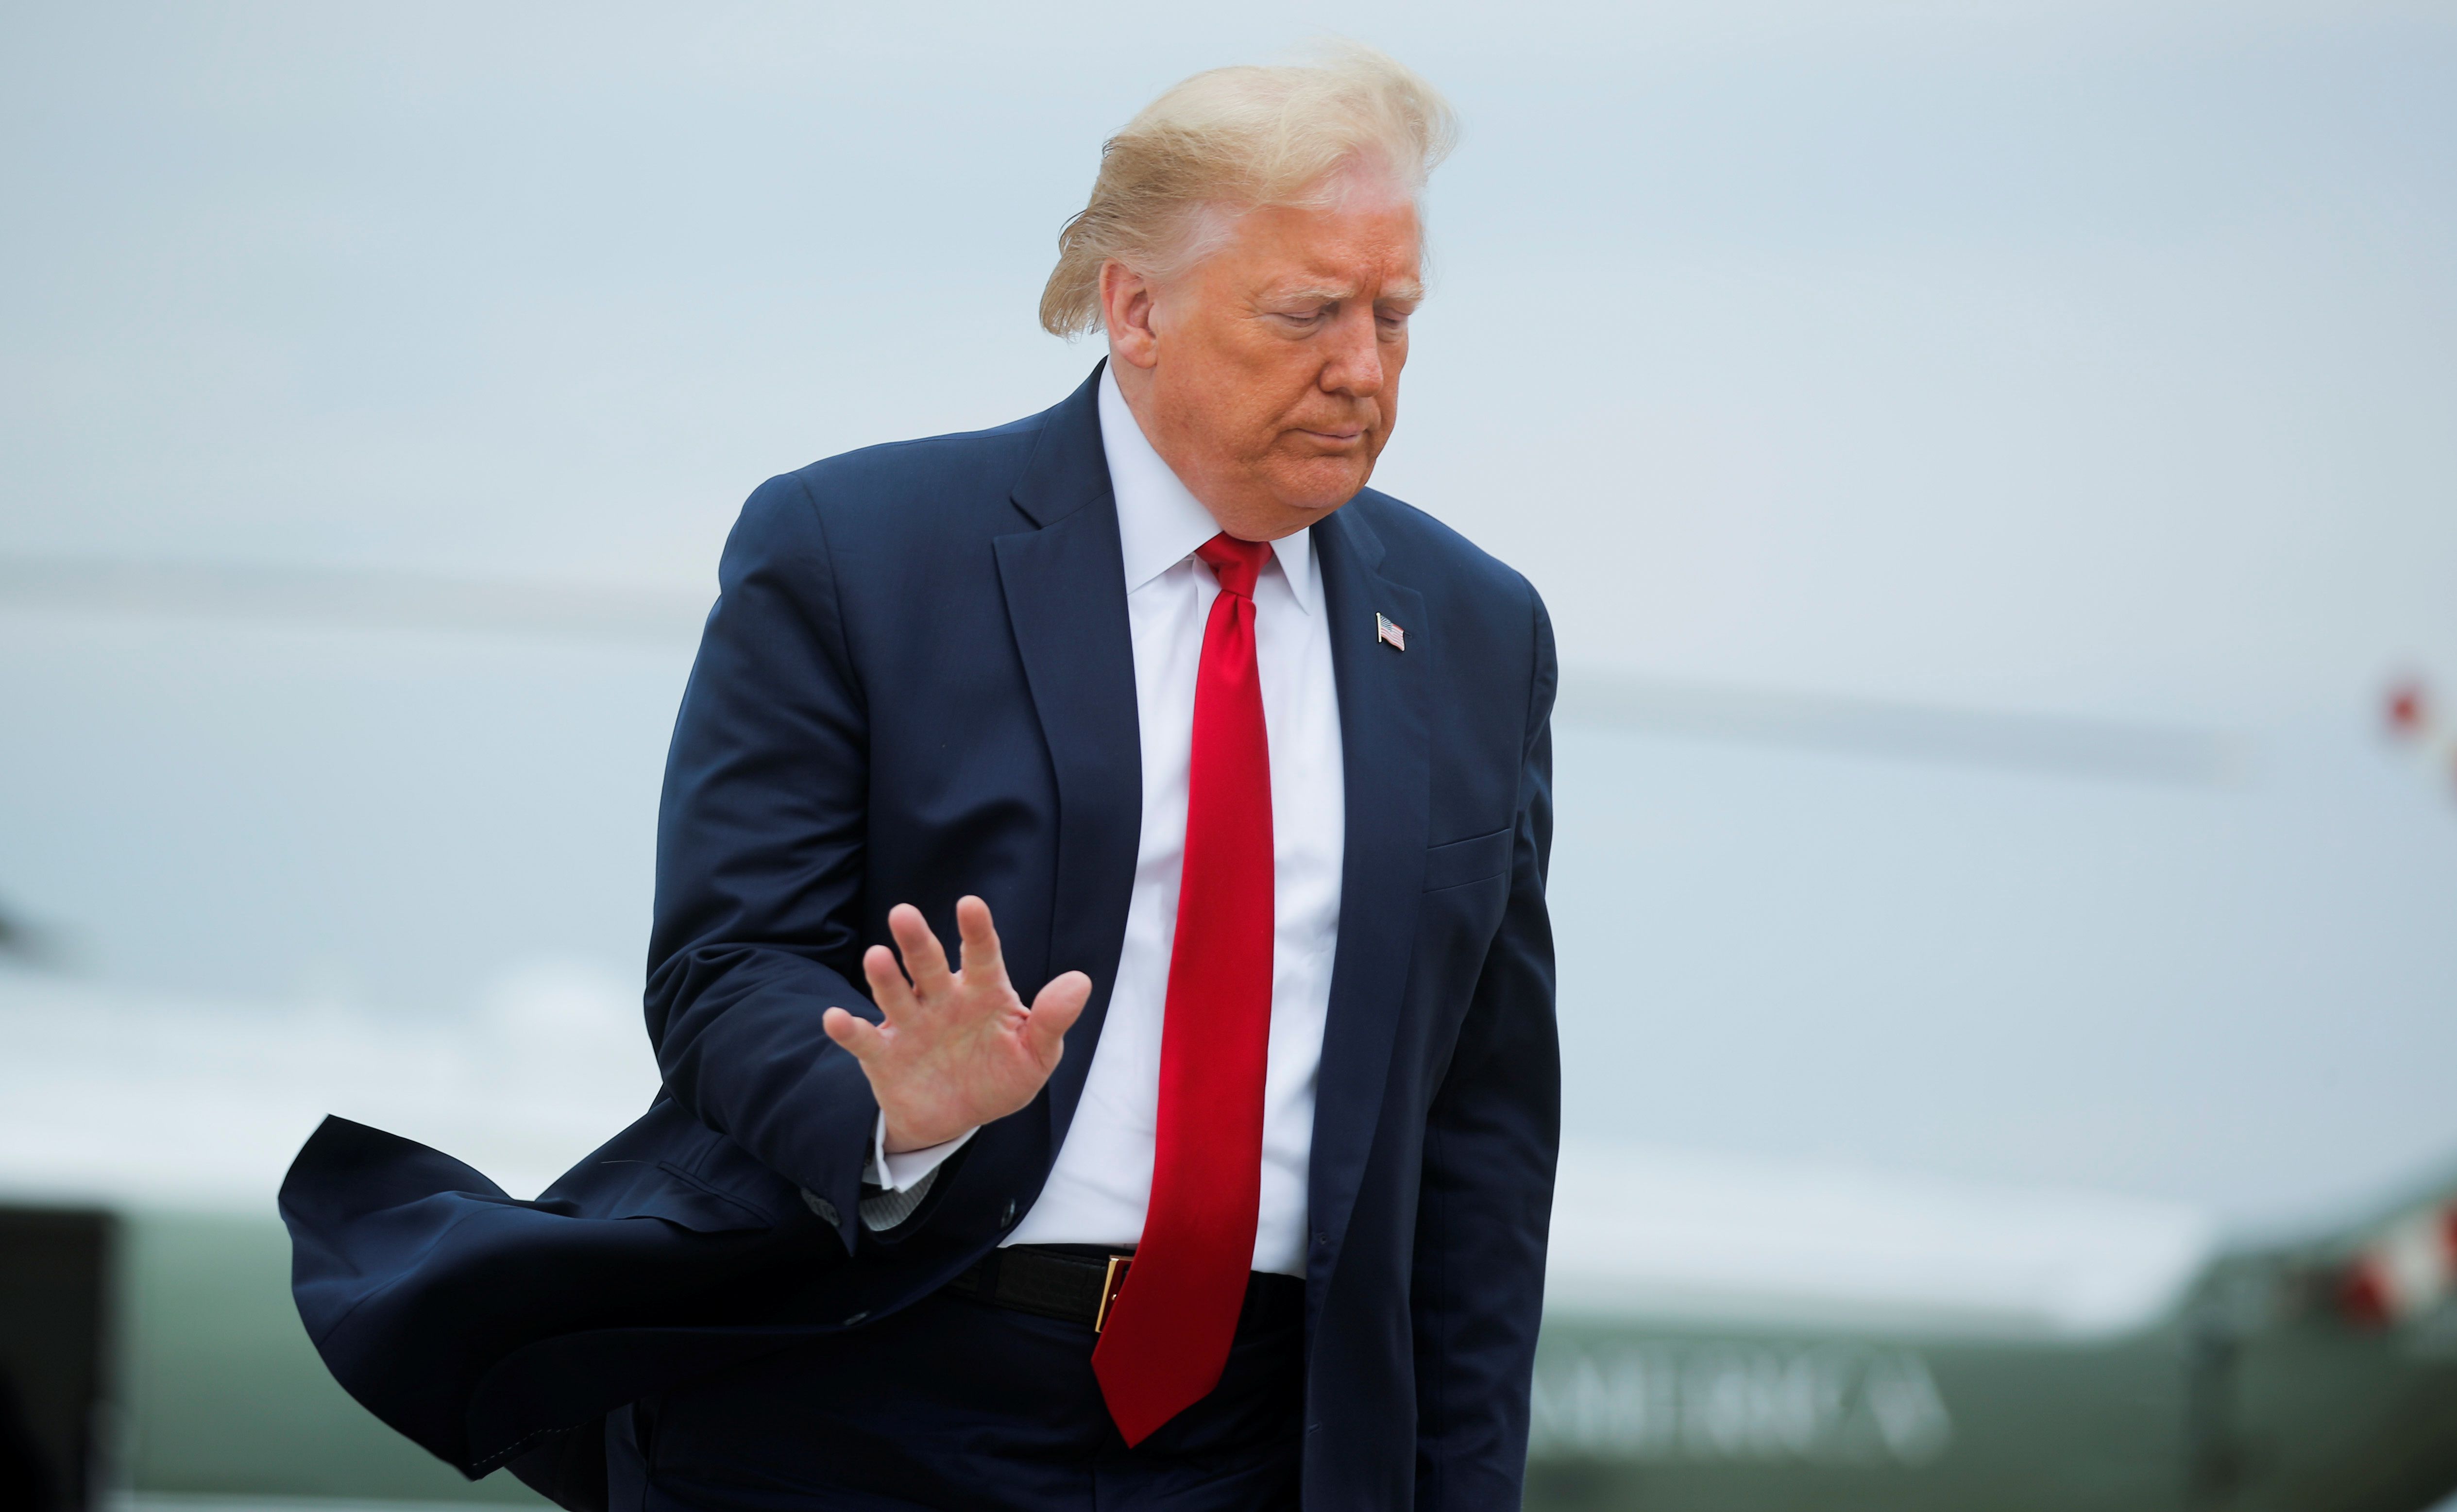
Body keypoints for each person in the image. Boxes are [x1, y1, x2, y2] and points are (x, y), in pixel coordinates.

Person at [282, 42, 1557, 1512]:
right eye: (1307, 313)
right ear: (1135, 306)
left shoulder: (1475, 631)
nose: (1362, 366)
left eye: (1393, 314)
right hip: (872, 1392)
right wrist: (894, 1102)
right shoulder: (855, 549)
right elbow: (725, 962)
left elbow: (1481, 1129)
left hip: (1267, 1443)